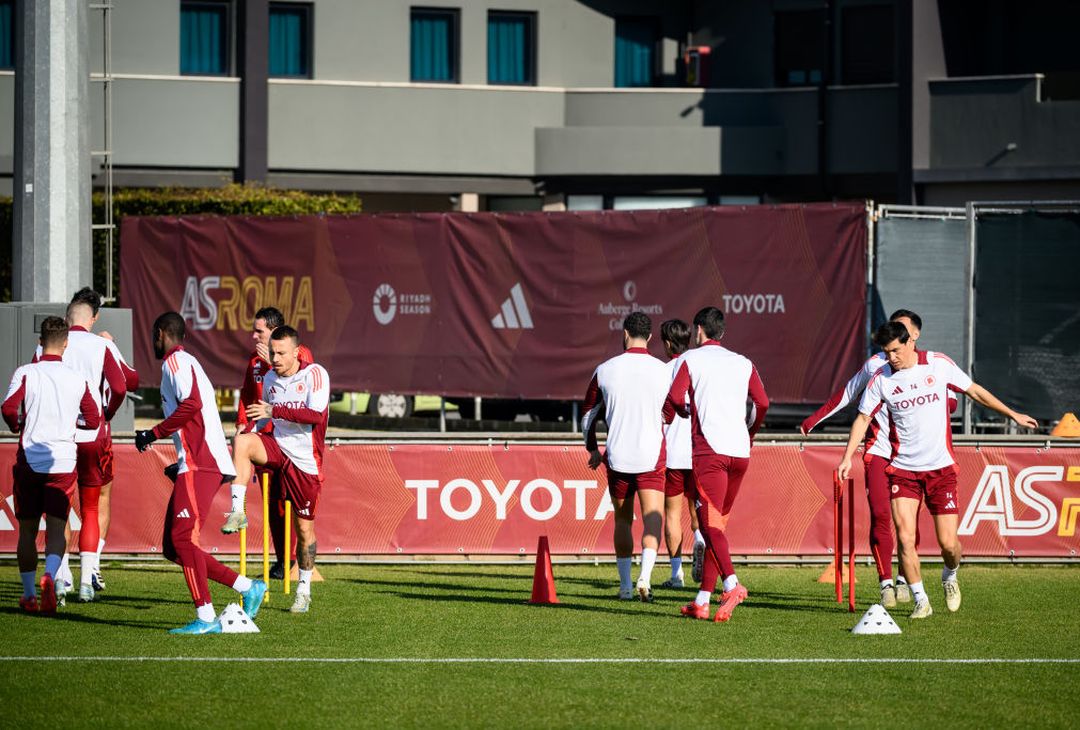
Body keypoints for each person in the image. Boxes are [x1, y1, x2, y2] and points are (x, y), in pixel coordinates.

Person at [837, 321, 1037, 619]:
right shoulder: (882, 379)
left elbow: (975, 392)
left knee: (949, 544)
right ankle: (921, 600)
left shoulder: (938, 364)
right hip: (902, 471)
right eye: (886, 352)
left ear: (909, 343)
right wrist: (846, 457)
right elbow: (863, 419)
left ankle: (950, 575)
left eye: (895, 350)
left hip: (940, 470)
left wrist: (1013, 414)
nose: (891, 357)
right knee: (905, 537)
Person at [134, 312, 266, 634]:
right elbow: (194, 415)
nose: (152, 341)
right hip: (196, 462)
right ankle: (248, 587)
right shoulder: (183, 363)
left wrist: (153, 433)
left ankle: (206, 617)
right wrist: (178, 461)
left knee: (182, 540)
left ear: (162, 333)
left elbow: (191, 405)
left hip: (201, 462)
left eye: (154, 334)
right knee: (173, 546)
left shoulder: (175, 362)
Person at [801, 309, 936, 608]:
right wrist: (813, 419)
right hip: (878, 451)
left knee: (909, 523)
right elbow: (848, 394)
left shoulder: (931, 365)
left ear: (914, 336)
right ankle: (885, 582)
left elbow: (949, 398)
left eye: (904, 332)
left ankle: (905, 579)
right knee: (881, 515)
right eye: (892, 332)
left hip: (913, 454)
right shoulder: (877, 364)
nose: (896, 342)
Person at [665, 306, 769, 623]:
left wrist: (680, 414)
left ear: (699, 331)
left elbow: (673, 397)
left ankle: (732, 584)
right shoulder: (743, 362)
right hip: (740, 451)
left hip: (709, 451)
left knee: (708, 525)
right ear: (722, 332)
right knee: (716, 527)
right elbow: (762, 403)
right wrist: (750, 431)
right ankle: (703, 599)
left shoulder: (689, 359)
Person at [228, 326, 330, 614]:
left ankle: (304, 589)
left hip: (305, 461)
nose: (275, 358)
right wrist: (252, 427)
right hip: (277, 447)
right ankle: (237, 510)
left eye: (282, 353)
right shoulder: (270, 377)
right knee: (243, 442)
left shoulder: (315, 374)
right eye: (272, 352)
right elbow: (264, 419)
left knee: (304, 528)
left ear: (297, 352)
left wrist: (275, 412)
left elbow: (314, 416)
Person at [2, 317, 100, 614]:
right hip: (63, 461)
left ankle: (30, 593)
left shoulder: (26, 372)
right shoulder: (76, 378)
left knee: (27, 530)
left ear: (40, 341)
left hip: (30, 459)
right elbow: (94, 418)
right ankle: (50, 575)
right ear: (66, 343)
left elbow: (8, 408)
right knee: (58, 527)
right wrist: (73, 424)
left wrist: (17, 425)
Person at [52, 287, 139, 601]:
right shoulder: (100, 344)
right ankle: (89, 576)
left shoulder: (52, 344)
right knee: (93, 505)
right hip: (93, 435)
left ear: (67, 315)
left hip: (58, 436)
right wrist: (107, 412)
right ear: (95, 316)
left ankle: (61, 577)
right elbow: (126, 382)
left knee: (57, 507)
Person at [581, 312, 670, 602]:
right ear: (651, 338)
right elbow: (673, 410)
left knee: (622, 521)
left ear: (624, 334)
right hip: (651, 454)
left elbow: (587, 416)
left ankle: (625, 587)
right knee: (652, 520)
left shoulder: (606, 369)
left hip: (618, 455)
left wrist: (592, 448)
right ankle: (645, 577)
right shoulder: (663, 370)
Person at [658, 319, 705, 588]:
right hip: (700, 451)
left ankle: (677, 575)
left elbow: (660, 414)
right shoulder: (699, 366)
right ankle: (700, 541)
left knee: (672, 514)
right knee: (699, 509)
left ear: (666, 343)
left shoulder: (663, 371)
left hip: (674, 453)